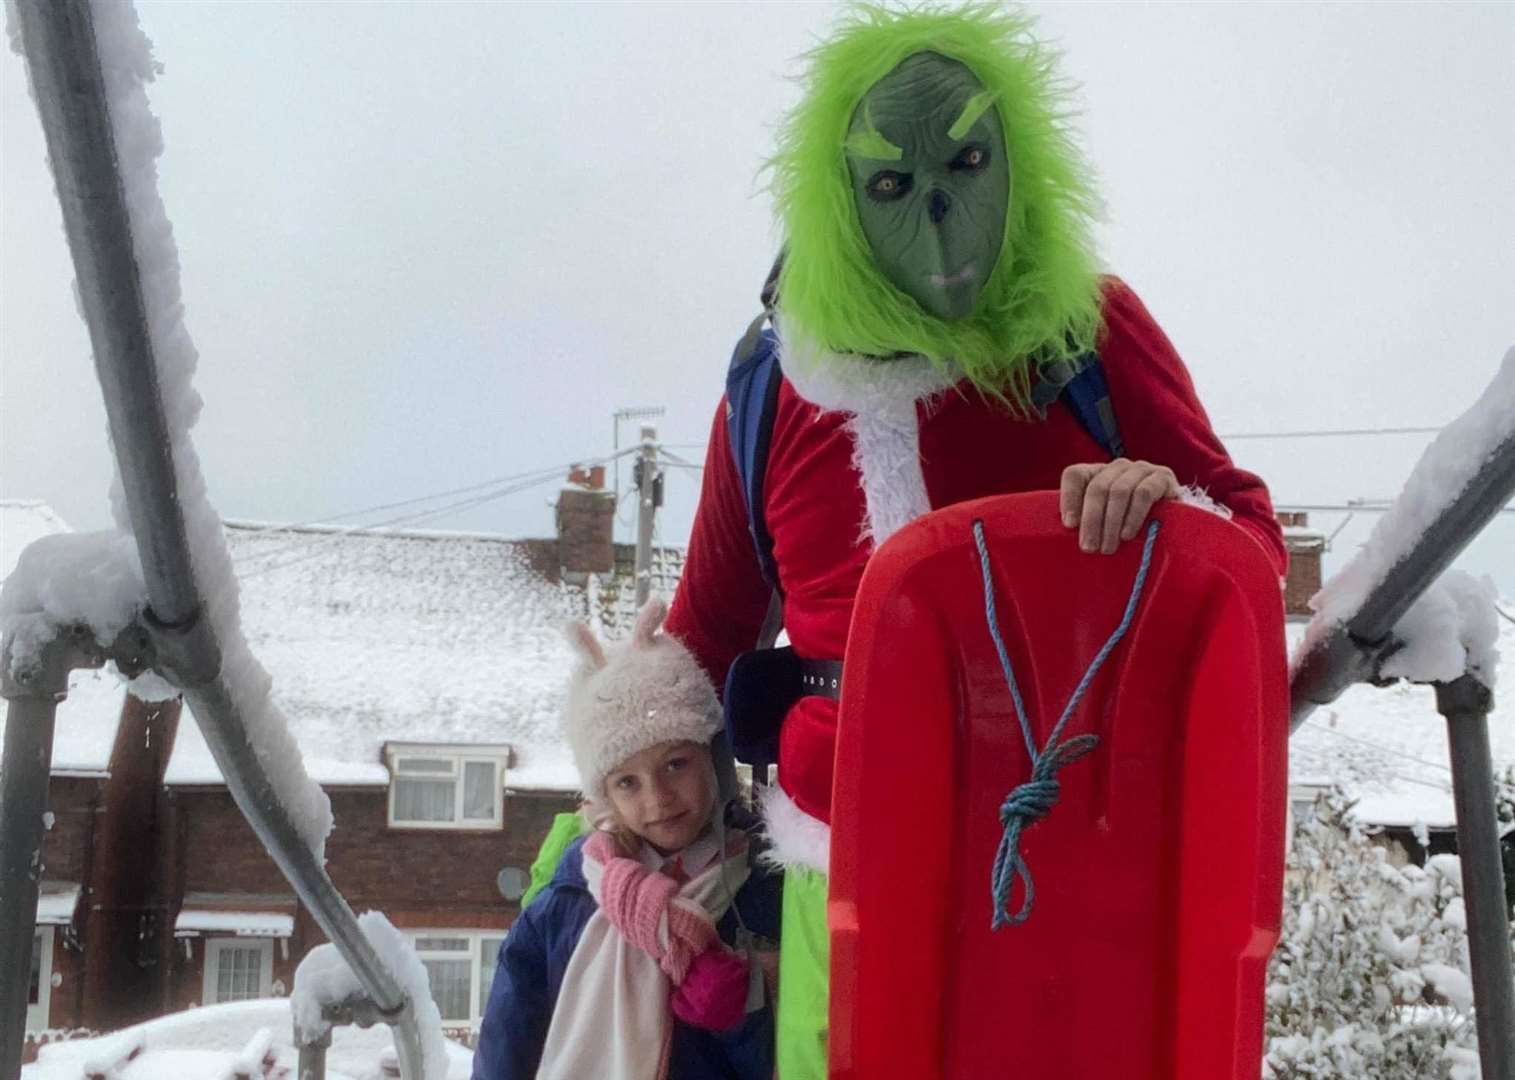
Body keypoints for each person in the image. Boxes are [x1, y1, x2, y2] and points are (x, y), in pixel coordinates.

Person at [662, 7, 1290, 1078]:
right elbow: (701, 642)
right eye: (893, 185)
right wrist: (619, 838)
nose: (939, 214)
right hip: (838, 867)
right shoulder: (771, 389)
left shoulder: (1083, 333)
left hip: (1076, 860)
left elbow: (1250, 548)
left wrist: (1169, 512)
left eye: (966, 161)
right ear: (835, 200)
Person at [471, 599, 778, 1080]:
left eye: (676, 764)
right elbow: (508, 1045)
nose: (657, 799)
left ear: (713, 759)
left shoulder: (764, 891)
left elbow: (799, 1056)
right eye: (627, 782)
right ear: (603, 794)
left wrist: (740, 1019)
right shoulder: (567, 900)